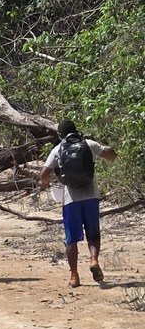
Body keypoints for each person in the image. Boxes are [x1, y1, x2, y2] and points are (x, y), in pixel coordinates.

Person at [40, 119, 117, 288]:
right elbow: (110, 154)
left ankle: (74, 276)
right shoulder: (88, 144)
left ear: (60, 134)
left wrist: (45, 183)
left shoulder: (58, 149)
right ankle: (94, 259)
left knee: (71, 239)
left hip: (70, 200)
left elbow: (44, 172)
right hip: (91, 196)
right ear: (76, 130)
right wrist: (114, 149)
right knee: (93, 235)